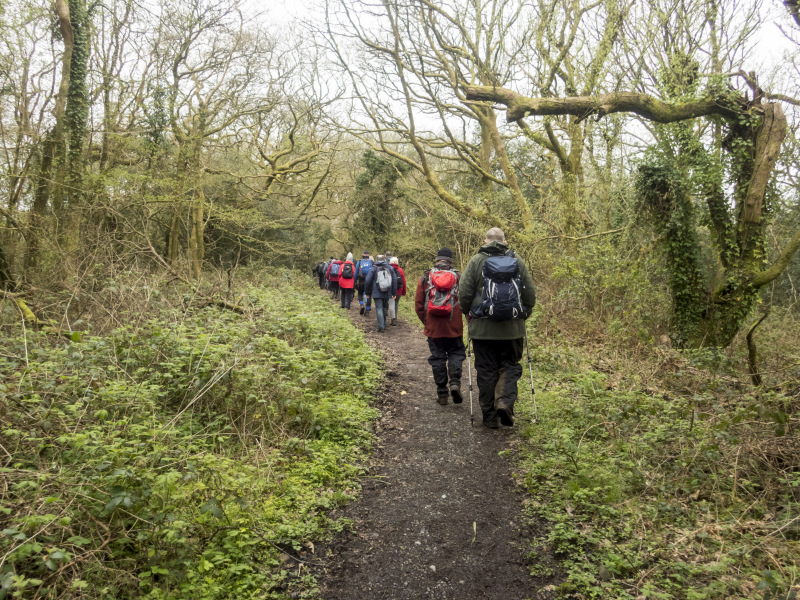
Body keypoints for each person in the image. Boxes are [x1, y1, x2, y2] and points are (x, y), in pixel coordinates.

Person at [458, 228, 536, 428]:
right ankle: (505, 402)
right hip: (512, 329)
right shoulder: (517, 260)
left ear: (485, 240)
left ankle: (490, 418)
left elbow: (464, 293)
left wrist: (468, 312)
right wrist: (523, 314)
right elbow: (530, 295)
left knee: (485, 370)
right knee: (510, 365)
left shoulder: (476, 261)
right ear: (504, 241)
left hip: (482, 328)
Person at [415, 247, 465, 405]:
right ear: (450, 261)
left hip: (433, 326)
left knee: (437, 358)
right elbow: (465, 300)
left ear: (437, 259)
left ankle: (442, 394)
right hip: (453, 326)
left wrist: (427, 322)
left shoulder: (426, 277)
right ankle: (455, 383)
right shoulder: (458, 276)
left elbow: (418, 304)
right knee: (456, 353)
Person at [364, 255, 397, 332]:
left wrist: (367, 292)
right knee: (385, 308)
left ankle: (381, 326)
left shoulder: (373, 268)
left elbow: (367, 280)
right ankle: (384, 324)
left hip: (376, 292)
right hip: (387, 291)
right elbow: (394, 280)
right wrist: (394, 293)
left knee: (379, 308)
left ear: (376, 260)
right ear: (384, 259)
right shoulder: (390, 267)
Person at [354, 251, 374, 316]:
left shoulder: (359, 262)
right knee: (368, 295)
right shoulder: (372, 262)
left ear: (362, 256)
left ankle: (362, 304)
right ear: (368, 256)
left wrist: (355, 282)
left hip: (361, 280)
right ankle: (367, 310)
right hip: (369, 281)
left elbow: (356, 273)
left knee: (360, 293)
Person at [388, 257, 406, 326]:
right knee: (396, 304)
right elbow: (403, 281)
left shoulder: (389, 269)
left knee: (391, 304)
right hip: (399, 290)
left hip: (391, 290)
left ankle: (393, 319)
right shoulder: (401, 270)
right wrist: (404, 291)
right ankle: (395, 317)